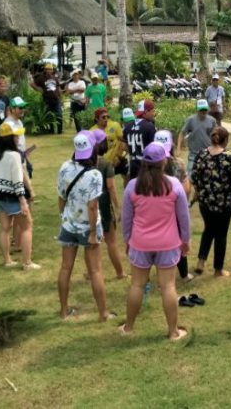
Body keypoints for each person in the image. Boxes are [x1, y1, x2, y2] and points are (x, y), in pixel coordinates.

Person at [119, 142, 191, 341]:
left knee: (137, 285)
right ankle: (173, 331)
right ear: (163, 162)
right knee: (168, 287)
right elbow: (184, 218)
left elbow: (126, 218)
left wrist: (127, 239)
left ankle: (128, 327)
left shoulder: (133, 185)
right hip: (168, 244)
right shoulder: (174, 185)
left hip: (140, 243)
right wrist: (186, 240)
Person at [56, 131, 112, 321]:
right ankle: (103, 313)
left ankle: (64, 311)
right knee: (95, 271)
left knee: (65, 268)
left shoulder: (64, 167)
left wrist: (62, 217)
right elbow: (92, 206)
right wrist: (93, 235)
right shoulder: (94, 174)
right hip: (88, 228)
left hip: (68, 225)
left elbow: (61, 197)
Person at [190, 126, 231, 277]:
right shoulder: (230, 156)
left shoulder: (201, 154)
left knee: (208, 229)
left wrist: (197, 193)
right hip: (223, 204)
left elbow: (194, 177)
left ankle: (201, 261)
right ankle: (218, 270)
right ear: (225, 140)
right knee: (221, 234)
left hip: (205, 203)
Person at [0, 122, 39, 270]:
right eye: (15, 136)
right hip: (13, 197)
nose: (18, 138)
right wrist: (23, 201)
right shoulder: (14, 156)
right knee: (27, 227)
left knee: (5, 229)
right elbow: (17, 179)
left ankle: (7, 261)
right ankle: (27, 262)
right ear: (10, 139)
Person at [154, 129, 193, 281]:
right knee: (179, 241)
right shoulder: (179, 164)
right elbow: (186, 189)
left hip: (154, 209)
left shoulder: (147, 164)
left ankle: (154, 271)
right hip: (174, 209)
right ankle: (184, 274)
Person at [91, 129, 126, 280]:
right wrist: (118, 208)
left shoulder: (84, 162)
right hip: (103, 204)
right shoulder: (106, 164)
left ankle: (90, 272)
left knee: (91, 242)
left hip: (88, 205)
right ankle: (120, 272)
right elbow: (111, 187)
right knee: (111, 240)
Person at [176, 99, 216, 175]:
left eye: (205, 109)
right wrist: (178, 148)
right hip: (193, 155)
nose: (203, 112)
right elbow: (182, 133)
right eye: (201, 110)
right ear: (197, 110)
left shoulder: (212, 120)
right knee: (189, 177)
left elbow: (216, 135)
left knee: (207, 177)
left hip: (208, 154)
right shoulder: (190, 120)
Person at [123, 99, 157, 180]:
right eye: (152, 111)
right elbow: (154, 149)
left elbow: (124, 146)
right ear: (145, 112)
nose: (153, 114)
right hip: (146, 166)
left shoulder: (128, 126)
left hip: (133, 165)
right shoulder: (149, 127)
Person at [91, 107, 127, 181]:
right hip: (101, 163)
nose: (106, 119)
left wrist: (119, 156)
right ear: (97, 119)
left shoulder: (115, 125)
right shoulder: (92, 131)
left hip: (117, 159)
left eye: (107, 116)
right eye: (103, 117)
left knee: (128, 175)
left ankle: (127, 192)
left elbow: (123, 141)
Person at [33, 64, 63, 135]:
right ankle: (51, 131)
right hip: (47, 100)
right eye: (47, 69)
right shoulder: (41, 78)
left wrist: (60, 97)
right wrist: (38, 89)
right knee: (49, 116)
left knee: (59, 115)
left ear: (52, 70)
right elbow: (32, 84)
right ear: (45, 70)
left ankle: (59, 130)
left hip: (56, 100)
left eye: (50, 69)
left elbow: (58, 88)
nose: (49, 71)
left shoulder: (55, 78)